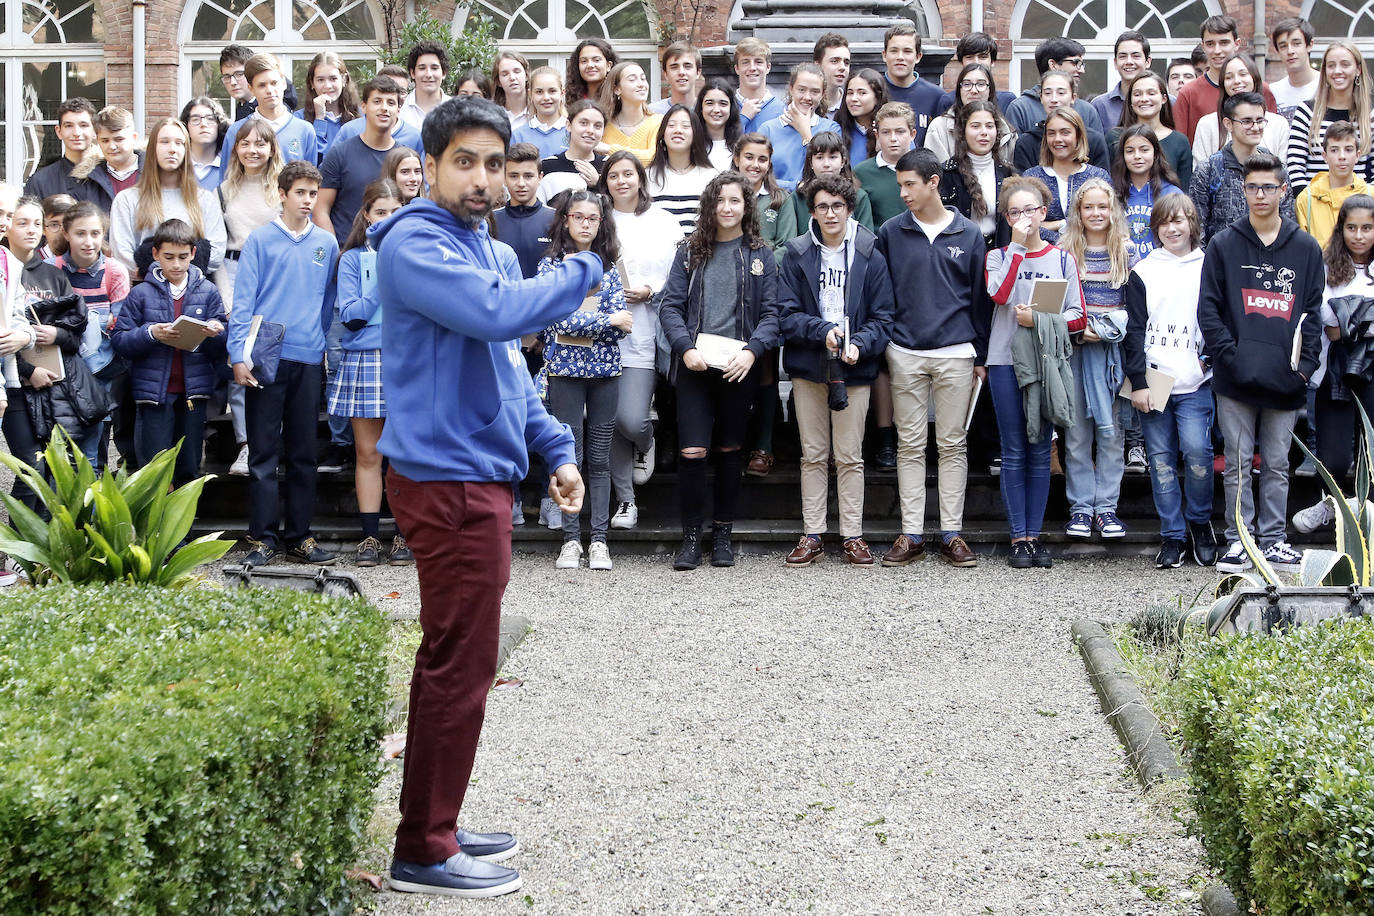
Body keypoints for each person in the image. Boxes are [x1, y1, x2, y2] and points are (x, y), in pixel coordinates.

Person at [370, 95, 594, 899]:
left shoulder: (481, 245)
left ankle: (437, 821)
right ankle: (425, 850)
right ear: (428, 166)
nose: (482, 177)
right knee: (458, 667)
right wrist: (584, 266)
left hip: (477, 476)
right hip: (447, 482)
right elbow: (501, 316)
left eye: (494, 164)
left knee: (459, 662)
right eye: (464, 161)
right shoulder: (415, 247)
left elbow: (506, 370)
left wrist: (558, 449)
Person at [1198, 153, 1322, 573]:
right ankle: (1238, 541)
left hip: (1285, 379)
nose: (1261, 195)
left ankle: (1272, 540)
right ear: (1243, 190)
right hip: (1235, 377)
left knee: (1277, 464)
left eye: (1269, 187)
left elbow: (1312, 314)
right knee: (1235, 463)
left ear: (1283, 190)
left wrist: (1303, 369)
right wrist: (1228, 358)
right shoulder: (1224, 244)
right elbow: (1209, 311)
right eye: (1253, 187)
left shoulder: (1305, 248)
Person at [659, 170, 781, 570]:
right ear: (709, 205)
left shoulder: (760, 254)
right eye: (720, 200)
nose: (726, 208)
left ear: (747, 207)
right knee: (693, 451)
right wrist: (685, 347)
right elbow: (670, 306)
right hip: (695, 365)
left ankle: (723, 533)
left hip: (737, 368)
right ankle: (691, 537)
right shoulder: (688, 250)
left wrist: (752, 352)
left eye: (735, 201)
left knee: (730, 451)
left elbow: (772, 314)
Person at [876, 148, 987, 568]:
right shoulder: (890, 232)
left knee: (953, 444)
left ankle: (952, 534)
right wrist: (889, 343)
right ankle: (912, 533)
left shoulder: (969, 234)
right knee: (910, 445)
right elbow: (882, 294)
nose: (903, 192)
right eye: (899, 184)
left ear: (934, 182)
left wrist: (979, 352)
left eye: (910, 184)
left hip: (957, 351)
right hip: (904, 351)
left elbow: (979, 299)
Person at [227, 160, 340, 569]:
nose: (308, 201)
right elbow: (244, 301)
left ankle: (300, 536)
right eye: (300, 193)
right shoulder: (260, 240)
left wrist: (318, 340)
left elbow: (328, 303)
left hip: (308, 357)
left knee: (304, 453)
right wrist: (238, 354)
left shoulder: (326, 245)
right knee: (262, 452)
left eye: (313, 193)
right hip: (264, 358)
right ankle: (262, 537)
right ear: (282, 194)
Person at [779, 172, 894, 567]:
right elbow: (786, 314)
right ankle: (812, 534)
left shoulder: (869, 250)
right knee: (812, 453)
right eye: (823, 206)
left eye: (838, 206)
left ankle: (852, 535)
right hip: (810, 365)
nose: (830, 214)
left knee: (849, 455)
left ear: (849, 209)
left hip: (855, 367)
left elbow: (884, 317)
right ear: (812, 211)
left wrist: (860, 343)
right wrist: (821, 331)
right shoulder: (796, 253)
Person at [985, 176, 1087, 568]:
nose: (1024, 218)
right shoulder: (997, 256)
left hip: (1047, 366)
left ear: (1044, 213)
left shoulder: (1062, 259)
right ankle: (1019, 537)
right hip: (1005, 363)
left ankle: (1036, 533)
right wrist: (1014, 247)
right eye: (1015, 212)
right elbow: (999, 295)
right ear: (1007, 218)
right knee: (1014, 449)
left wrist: (1042, 319)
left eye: (1031, 210)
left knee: (1041, 448)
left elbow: (1078, 317)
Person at [1122, 193, 1216, 567]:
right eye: (1164, 222)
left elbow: (1218, 319)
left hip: (1195, 380)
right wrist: (1138, 381)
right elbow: (1133, 330)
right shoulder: (1144, 271)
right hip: (1155, 379)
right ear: (1154, 228)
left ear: (1193, 224)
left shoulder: (1209, 266)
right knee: (1160, 460)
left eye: (1180, 220)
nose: (1172, 228)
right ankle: (1172, 535)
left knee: (1197, 453)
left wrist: (1209, 360)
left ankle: (1200, 522)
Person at [536, 190, 629, 570]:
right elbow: (555, 320)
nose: (586, 224)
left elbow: (625, 324)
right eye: (579, 217)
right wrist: (604, 321)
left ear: (601, 223)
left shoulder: (611, 268)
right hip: (564, 374)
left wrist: (592, 323)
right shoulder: (551, 268)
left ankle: (600, 540)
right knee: (568, 457)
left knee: (600, 458)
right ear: (566, 220)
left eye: (593, 218)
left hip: (605, 373)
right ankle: (571, 540)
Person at [596, 151, 683, 529]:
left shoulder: (663, 221)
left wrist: (650, 289)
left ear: (640, 178)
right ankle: (625, 501)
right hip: (601, 334)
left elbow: (680, 273)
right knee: (609, 419)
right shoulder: (597, 219)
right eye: (613, 175)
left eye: (627, 174)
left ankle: (646, 438)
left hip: (645, 331)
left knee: (630, 419)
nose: (621, 181)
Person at [328, 179, 412, 566]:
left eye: (396, 212)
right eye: (381, 212)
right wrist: (384, 273)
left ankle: (403, 535)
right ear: (366, 215)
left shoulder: (418, 256)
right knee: (367, 453)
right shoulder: (351, 260)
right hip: (366, 359)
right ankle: (368, 536)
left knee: (406, 454)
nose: (389, 219)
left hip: (409, 359)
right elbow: (352, 315)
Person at [110, 218, 227, 485]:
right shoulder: (140, 294)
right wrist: (151, 333)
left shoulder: (208, 291)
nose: (176, 264)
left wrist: (216, 331)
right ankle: (154, 526)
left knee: (189, 466)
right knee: (154, 470)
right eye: (169, 257)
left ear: (193, 255)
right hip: (154, 395)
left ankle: (183, 526)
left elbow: (222, 342)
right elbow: (120, 340)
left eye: (183, 257)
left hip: (193, 392)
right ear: (155, 254)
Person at [1058, 178, 1135, 541]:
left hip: (1110, 357)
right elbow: (1052, 305)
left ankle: (1106, 509)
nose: (1096, 213)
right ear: (1078, 211)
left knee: (1110, 433)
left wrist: (1105, 331)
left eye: (1102, 207)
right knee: (1075, 434)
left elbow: (1136, 308)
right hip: (1074, 351)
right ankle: (1080, 508)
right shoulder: (1064, 251)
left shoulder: (1128, 252)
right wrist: (1077, 330)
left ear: (1112, 210)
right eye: (1088, 207)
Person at [3, 196, 100, 485]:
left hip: (54, 385)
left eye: (38, 224)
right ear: (8, 227)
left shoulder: (54, 276)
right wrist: (29, 371)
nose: (32, 230)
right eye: (22, 223)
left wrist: (57, 334)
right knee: (30, 470)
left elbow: (75, 337)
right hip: (17, 383)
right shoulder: (4, 270)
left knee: (56, 468)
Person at [1292, 194, 1374, 534]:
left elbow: (1340, 321)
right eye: (1352, 227)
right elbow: (1326, 321)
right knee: (1335, 457)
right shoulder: (1326, 267)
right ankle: (1330, 505)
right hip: (1335, 371)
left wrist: (1348, 317)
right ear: (1341, 229)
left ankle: (1366, 517)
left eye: (1367, 228)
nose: (1359, 235)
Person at [54, 201, 131, 471]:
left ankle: (90, 512)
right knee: (59, 449)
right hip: (60, 371)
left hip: (100, 372)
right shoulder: (52, 269)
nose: (89, 242)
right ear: (66, 233)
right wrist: (97, 321)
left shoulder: (114, 271)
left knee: (94, 450)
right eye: (80, 233)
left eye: (95, 234)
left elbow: (118, 325)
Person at [109, 117, 227, 278]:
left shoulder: (205, 200)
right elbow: (122, 256)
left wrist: (181, 277)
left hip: (194, 295)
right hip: (145, 293)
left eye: (179, 143)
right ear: (152, 148)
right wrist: (156, 275)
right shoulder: (127, 200)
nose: (172, 149)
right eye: (165, 142)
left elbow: (216, 253)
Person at [1189, 92, 1295, 246]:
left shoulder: (1276, 169)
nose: (1255, 127)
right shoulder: (1209, 170)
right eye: (1246, 121)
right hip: (1223, 262)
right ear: (1228, 124)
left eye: (1260, 121)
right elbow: (1197, 231)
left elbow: (1288, 223)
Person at [316, 75, 405, 243]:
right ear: (364, 106)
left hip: (392, 253)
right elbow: (321, 210)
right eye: (377, 101)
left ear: (398, 110)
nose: (384, 108)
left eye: (391, 103)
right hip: (347, 254)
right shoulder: (339, 154)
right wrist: (337, 253)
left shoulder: (404, 159)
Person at [1286, 40, 1374, 198]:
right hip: (1315, 205)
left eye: (1345, 64)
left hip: (1359, 208)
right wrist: (1310, 205)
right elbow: (1295, 165)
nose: (1337, 71)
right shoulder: (1306, 112)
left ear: (1358, 70)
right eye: (1331, 65)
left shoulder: (1370, 115)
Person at [1172, 15, 1277, 142]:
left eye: (1224, 43)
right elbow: (1180, 144)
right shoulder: (1189, 93)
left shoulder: (1259, 88)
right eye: (1210, 44)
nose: (1217, 50)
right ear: (1203, 46)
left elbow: (1273, 135)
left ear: (1237, 43)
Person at [216, 118, 284, 309]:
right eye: (245, 144)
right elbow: (217, 250)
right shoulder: (222, 192)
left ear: (272, 149)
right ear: (236, 148)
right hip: (234, 273)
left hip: (273, 273)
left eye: (260, 144)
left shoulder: (284, 190)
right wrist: (226, 298)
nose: (252, 150)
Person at [1023, 107, 1111, 244]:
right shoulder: (1031, 178)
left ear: (1078, 136)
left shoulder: (1098, 176)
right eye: (1051, 133)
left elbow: (1107, 222)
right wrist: (1061, 225)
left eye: (1065, 133)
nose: (1058, 139)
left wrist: (1048, 226)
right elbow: (1024, 224)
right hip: (1042, 257)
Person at [939, 101, 1015, 251]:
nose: (984, 132)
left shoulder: (1007, 173)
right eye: (975, 126)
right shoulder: (947, 173)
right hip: (959, 255)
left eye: (989, 126)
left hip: (998, 254)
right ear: (963, 131)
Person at [1190, 54, 1289, 167]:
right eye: (1229, 77)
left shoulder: (1279, 124)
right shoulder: (1207, 124)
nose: (1237, 81)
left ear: (1254, 77)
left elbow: (1282, 172)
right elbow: (1200, 172)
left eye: (1243, 74)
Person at [220, 54, 317, 169]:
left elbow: (311, 180)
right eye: (262, 85)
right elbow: (227, 180)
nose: (270, 90)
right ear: (251, 89)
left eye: (274, 83)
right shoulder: (236, 131)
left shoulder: (304, 130)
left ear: (284, 83)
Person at [758, 63, 840, 191]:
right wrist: (794, 186)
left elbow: (830, 173)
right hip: (777, 202)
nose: (807, 97)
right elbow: (758, 175)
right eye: (801, 90)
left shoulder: (831, 128)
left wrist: (805, 132)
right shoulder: (768, 129)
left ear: (823, 94)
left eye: (815, 91)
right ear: (791, 89)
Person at [1011, 71, 1111, 174]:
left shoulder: (1094, 140)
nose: (1054, 99)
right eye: (1048, 93)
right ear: (1041, 98)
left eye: (1061, 93)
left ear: (1073, 97)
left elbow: (1103, 185)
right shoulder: (1026, 143)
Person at [1108, 72, 1192, 191]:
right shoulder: (1114, 137)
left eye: (1151, 93)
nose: (1144, 99)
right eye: (1137, 94)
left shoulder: (1179, 141)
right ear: (1130, 101)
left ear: (1164, 99)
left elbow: (1184, 190)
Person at [1111, 123, 1183, 262]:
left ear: (1155, 153)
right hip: (1122, 271)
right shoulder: (1112, 193)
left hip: (1161, 268)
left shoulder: (1172, 194)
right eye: (1130, 151)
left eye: (1144, 150)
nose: (1137, 156)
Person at [1005, 38, 1105, 136]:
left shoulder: (1087, 110)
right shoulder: (1021, 109)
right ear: (1053, 64)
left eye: (1082, 64)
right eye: (1076, 63)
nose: (1081, 70)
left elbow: (1097, 148)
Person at [1296, 121, 1369, 248]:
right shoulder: (1306, 199)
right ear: (1325, 156)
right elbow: (1303, 250)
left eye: (1348, 149)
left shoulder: (1370, 195)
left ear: (1357, 155)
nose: (1342, 156)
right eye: (1334, 150)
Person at [923, 63, 1014, 166]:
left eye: (981, 84)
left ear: (990, 90)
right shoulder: (939, 128)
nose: (974, 90)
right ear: (959, 89)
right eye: (967, 84)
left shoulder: (1006, 131)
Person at [645, 104, 717, 234]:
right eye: (671, 125)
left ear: (696, 134)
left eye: (685, 126)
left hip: (700, 252)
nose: (678, 130)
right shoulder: (648, 177)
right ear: (662, 134)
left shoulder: (711, 177)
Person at [785, 131, 874, 234]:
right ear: (811, 163)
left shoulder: (859, 196)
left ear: (843, 161)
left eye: (832, 157)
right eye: (819, 157)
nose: (826, 164)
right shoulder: (797, 198)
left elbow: (866, 238)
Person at [492, 143, 554, 279]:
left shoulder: (556, 220)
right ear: (504, 179)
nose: (521, 183)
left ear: (540, 177)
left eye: (528, 176)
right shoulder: (491, 221)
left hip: (544, 299)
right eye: (514, 176)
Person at [855, 101, 916, 229]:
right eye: (886, 132)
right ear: (877, 135)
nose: (893, 138)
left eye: (900, 132)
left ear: (912, 134)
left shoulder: (924, 169)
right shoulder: (861, 172)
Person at [69, 106, 142, 213]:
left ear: (134, 138)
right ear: (97, 141)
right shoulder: (86, 182)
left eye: (118, 139)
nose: (112, 146)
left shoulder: (155, 174)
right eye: (105, 141)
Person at [879, 23, 942, 146]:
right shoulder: (872, 92)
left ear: (918, 56)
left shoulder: (936, 96)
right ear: (884, 55)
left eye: (907, 51)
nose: (900, 57)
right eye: (894, 51)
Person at [23, 98, 96, 201]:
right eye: (69, 126)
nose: (76, 133)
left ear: (95, 130)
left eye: (83, 125)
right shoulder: (40, 182)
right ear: (59, 131)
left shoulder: (108, 175)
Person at [733, 133, 797, 250]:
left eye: (762, 160)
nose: (755, 165)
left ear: (769, 165)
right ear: (737, 160)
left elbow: (787, 245)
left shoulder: (781, 199)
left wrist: (766, 267)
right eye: (749, 157)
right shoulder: (723, 196)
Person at [536, 99, 606, 204]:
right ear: (568, 125)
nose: (590, 130)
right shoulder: (548, 165)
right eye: (583, 123)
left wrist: (598, 183)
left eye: (597, 126)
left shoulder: (608, 166)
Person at [297, 51, 360, 161]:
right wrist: (319, 119)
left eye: (333, 78)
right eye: (320, 80)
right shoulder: (298, 120)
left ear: (344, 80)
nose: (327, 86)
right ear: (312, 83)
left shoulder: (361, 116)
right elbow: (312, 161)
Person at [934, 33, 1018, 114]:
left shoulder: (1006, 101)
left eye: (983, 57)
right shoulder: (948, 101)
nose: (976, 62)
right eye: (969, 57)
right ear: (961, 62)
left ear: (992, 61)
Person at [598, 62, 662, 165]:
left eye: (643, 79)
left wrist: (609, 149)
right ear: (617, 89)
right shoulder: (603, 128)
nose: (641, 84)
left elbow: (654, 157)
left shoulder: (658, 122)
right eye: (632, 80)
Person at [219, 44, 299, 120]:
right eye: (227, 76)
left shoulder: (273, 109)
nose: (233, 82)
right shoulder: (243, 107)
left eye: (239, 74)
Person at [1092, 31, 1152, 131]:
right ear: (1115, 63)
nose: (1129, 62)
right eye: (1123, 56)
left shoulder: (1167, 102)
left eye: (1135, 56)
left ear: (1148, 62)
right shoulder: (1100, 105)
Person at [511, 66, 568, 158]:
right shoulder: (518, 136)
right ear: (530, 95)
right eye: (539, 92)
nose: (546, 97)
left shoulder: (573, 133)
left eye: (552, 91)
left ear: (562, 93)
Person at [1269, 17, 1318, 123]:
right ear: (1277, 52)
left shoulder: (1326, 86)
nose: (1290, 51)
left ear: (1309, 45)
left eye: (1296, 44)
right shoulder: (1272, 92)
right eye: (1283, 46)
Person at [837, 69, 887, 165]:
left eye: (862, 93)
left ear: (877, 97)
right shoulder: (836, 129)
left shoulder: (894, 129)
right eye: (850, 93)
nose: (854, 99)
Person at [400, 40, 451, 131]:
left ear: (443, 73)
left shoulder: (456, 110)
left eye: (434, 68)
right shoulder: (400, 110)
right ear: (412, 73)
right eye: (422, 68)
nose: (428, 74)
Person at [734, 38, 781, 134]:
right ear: (737, 68)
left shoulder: (782, 110)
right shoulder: (725, 106)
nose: (752, 68)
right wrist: (743, 118)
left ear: (768, 67)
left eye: (758, 62)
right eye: (745, 62)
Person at [183, 97, 231, 190]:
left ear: (219, 124)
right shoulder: (177, 164)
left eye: (210, 119)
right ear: (186, 125)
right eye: (195, 119)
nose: (203, 124)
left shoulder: (231, 168)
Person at [695, 79, 740, 170]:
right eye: (710, 103)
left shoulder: (740, 147)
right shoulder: (691, 145)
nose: (716, 110)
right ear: (701, 107)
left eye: (723, 104)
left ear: (731, 108)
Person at [652, 41, 701, 115]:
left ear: (698, 72)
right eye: (674, 67)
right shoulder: (653, 114)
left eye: (687, 66)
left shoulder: (706, 112)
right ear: (665, 74)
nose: (681, 72)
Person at [566, 38, 617, 103]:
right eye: (584, 61)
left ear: (608, 65)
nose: (590, 65)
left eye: (596, 60)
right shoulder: (569, 99)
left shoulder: (620, 98)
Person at [812, 33, 850, 116]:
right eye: (834, 61)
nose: (842, 67)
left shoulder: (853, 106)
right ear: (817, 65)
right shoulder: (801, 104)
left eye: (846, 63)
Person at [38, 194, 75, 260]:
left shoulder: (87, 263)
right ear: (43, 228)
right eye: (54, 225)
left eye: (67, 223)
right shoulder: (33, 264)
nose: (62, 230)